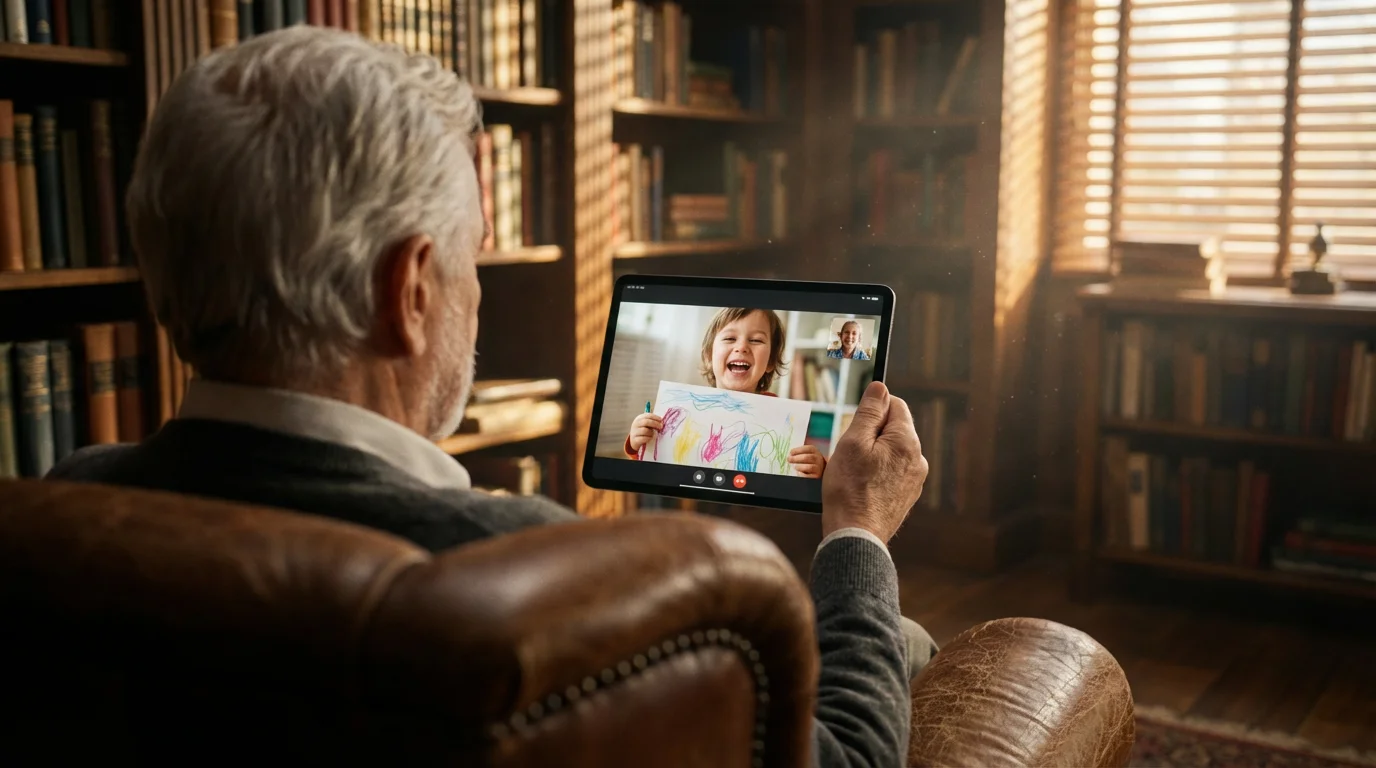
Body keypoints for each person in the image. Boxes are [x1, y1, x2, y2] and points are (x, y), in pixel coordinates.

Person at [44, 26, 934, 768]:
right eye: (471, 259)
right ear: (414, 290)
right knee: (901, 642)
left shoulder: (71, 506)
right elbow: (849, 756)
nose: (478, 298)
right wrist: (856, 529)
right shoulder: (528, 583)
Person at [624, 307, 827, 478]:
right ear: (708, 357)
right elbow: (653, 459)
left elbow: (800, 463)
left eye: (756, 340)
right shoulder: (685, 410)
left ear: (771, 361)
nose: (742, 347)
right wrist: (636, 441)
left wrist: (818, 467)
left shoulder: (783, 419)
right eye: (730, 338)